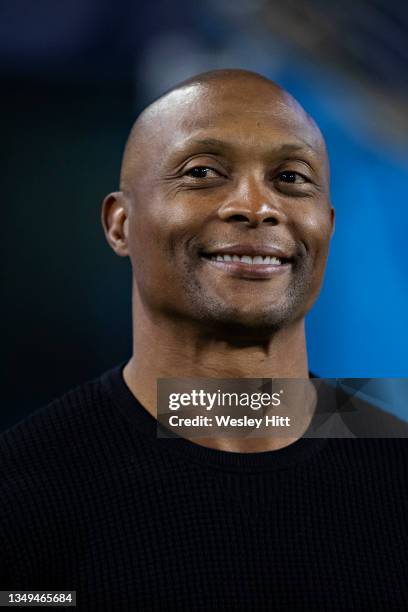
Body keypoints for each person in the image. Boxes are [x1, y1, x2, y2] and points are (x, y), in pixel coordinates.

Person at [1, 69, 407, 611]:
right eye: (203, 172)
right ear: (120, 224)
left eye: (290, 178)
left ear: (327, 227)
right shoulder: (21, 493)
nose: (256, 206)